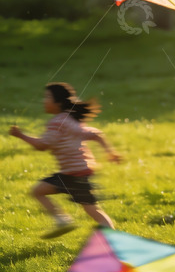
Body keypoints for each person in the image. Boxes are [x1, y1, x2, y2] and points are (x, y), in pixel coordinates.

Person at [9, 82, 122, 238]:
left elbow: (42, 145)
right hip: (76, 172)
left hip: (73, 174)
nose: (43, 100)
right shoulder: (70, 120)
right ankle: (68, 221)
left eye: (47, 97)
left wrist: (20, 135)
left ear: (58, 102)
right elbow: (95, 134)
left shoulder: (57, 122)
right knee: (90, 208)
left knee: (40, 192)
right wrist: (110, 152)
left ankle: (66, 221)